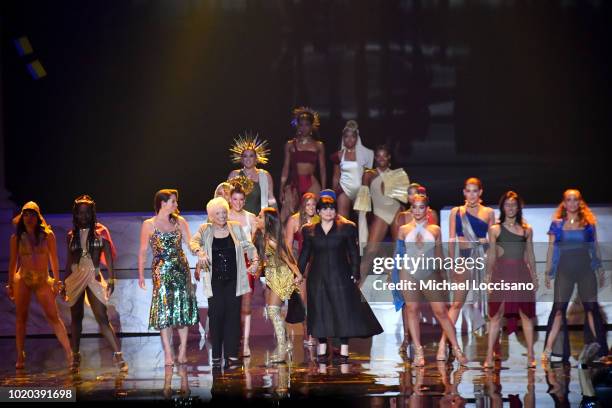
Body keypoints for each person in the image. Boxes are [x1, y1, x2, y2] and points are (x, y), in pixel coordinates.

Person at [298, 194, 383, 364]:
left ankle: (344, 348)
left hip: (341, 276)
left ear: (335, 211)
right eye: (324, 209)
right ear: (318, 211)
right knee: (321, 310)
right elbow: (305, 254)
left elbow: (353, 252)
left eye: (331, 208)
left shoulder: (347, 228)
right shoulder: (309, 230)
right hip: (318, 278)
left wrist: (355, 273)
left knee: (343, 311)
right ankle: (322, 347)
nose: (328, 212)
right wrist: (297, 273)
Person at [394, 194, 469, 366]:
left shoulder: (435, 229)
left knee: (441, 311)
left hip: (428, 272)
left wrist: (444, 275)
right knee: (412, 310)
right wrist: (394, 277)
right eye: (414, 207)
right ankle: (419, 353)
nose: (418, 210)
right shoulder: (403, 229)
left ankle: (457, 349)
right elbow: (398, 255)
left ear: (427, 209)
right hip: (408, 271)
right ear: (411, 209)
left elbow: (439, 256)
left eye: (421, 207)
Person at [190, 197, 259, 368]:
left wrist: (255, 261)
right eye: (217, 213)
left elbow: (248, 246)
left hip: (234, 281)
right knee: (216, 315)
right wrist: (200, 252)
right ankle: (216, 354)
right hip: (214, 281)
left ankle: (232, 355)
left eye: (223, 212)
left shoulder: (235, 227)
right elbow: (193, 242)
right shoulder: (204, 229)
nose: (221, 216)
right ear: (211, 216)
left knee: (233, 317)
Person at [542, 189, 607, 363]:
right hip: (565, 269)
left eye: (575, 200)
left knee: (591, 309)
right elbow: (551, 249)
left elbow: (594, 248)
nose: (572, 203)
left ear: (580, 202)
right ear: (564, 202)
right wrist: (549, 271)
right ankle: (548, 350)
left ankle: (601, 351)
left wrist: (599, 269)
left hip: (585, 268)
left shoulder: (588, 224)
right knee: (558, 309)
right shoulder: (557, 224)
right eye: (569, 200)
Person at [65, 195, 128, 372]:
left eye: (86, 213)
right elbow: (69, 262)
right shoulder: (71, 235)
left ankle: (118, 355)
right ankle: (75, 356)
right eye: (80, 213)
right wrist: (63, 283)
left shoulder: (101, 232)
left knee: (102, 317)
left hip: (93, 276)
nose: (83, 216)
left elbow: (108, 258)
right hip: (76, 278)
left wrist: (112, 279)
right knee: (76, 318)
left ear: (92, 214)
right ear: (76, 215)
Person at [7, 201, 73, 369]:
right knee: (21, 318)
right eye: (26, 215)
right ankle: (20, 355)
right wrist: (10, 284)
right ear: (22, 217)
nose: (29, 218)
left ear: (38, 216)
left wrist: (57, 280)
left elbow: (54, 259)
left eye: (32, 214)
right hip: (23, 278)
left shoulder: (48, 235)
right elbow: (13, 263)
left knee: (53, 317)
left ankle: (69, 353)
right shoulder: (16, 238)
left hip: (42, 279)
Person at [138, 189, 199, 366]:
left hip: (181, 269)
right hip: (161, 270)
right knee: (164, 311)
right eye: (173, 201)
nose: (176, 205)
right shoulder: (148, 224)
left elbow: (190, 243)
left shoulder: (180, 221)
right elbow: (142, 251)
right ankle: (167, 352)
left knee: (182, 308)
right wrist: (141, 274)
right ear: (163, 204)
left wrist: (199, 253)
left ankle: (182, 350)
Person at [436, 177, 495, 361]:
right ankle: (442, 346)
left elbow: (493, 239)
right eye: (468, 191)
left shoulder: (489, 212)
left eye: (475, 191)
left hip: (483, 259)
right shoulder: (457, 212)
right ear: (464, 192)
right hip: (464, 260)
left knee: (491, 305)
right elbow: (452, 239)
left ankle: (492, 351)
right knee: (457, 304)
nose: (471, 194)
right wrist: (453, 264)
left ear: (480, 192)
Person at [483, 191, 537, 369]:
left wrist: (534, 277)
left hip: (521, 273)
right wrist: (488, 277)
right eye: (507, 205)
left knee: (526, 315)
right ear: (502, 207)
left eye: (514, 205)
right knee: (495, 315)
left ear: (518, 207)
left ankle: (530, 354)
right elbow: (491, 255)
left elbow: (530, 255)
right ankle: (489, 356)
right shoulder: (495, 230)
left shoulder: (526, 230)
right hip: (501, 273)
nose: (511, 208)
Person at [256, 207, 303, 363]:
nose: (257, 218)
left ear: (267, 222)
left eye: (260, 217)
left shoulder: (271, 239)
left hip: (280, 275)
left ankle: (282, 349)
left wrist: (298, 273)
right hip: (272, 275)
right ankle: (286, 343)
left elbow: (287, 256)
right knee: (273, 312)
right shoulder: (262, 236)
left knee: (273, 311)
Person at [279, 107, 326, 222]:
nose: (303, 128)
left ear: (311, 126)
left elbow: (323, 169)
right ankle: (285, 239)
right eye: (301, 125)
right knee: (287, 215)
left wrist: (324, 190)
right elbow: (285, 167)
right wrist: (281, 188)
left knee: (308, 215)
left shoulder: (318, 145)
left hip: (311, 183)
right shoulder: (290, 145)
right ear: (297, 126)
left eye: (307, 125)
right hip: (295, 182)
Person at [284, 192, 319, 346]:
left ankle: (318, 333)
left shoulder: (320, 219)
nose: (311, 207)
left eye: (313, 204)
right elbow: (288, 247)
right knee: (304, 301)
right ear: (303, 206)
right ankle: (308, 334)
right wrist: (294, 268)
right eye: (308, 204)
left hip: (318, 264)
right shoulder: (294, 220)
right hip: (301, 266)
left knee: (316, 301)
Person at [227, 185, 257, 358]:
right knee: (231, 305)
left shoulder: (250, 218)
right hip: (229, 263)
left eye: (241, 199)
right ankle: (232, 340)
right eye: (235, 199)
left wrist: (255, 262)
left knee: (246, 305)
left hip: (245, 264)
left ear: (244, 201)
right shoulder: (224, 215)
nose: (238, 202)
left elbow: (253, 245)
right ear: (230, 200)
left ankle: (245, 344)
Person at [331, 120, 373, 218]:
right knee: (342, 221)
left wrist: (369, 194)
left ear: (357, 138)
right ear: (343, 138)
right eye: (346, 136)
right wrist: (333, 195)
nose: (349, 139)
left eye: (352, 136)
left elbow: (369, 176)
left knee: (362, 221)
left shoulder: (366, 155)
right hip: (344, 189)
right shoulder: (339, 155)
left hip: (361, 190)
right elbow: (336, 177)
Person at [228, 132, 277, 215]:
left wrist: (276, 218)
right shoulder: (234, 174)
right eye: (245, 156)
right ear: (241, 159)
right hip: (237, 220)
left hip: (257, 221)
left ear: (256, 159)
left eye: (251, 156)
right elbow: (227, 198)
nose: (248, 159)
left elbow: (271, 199)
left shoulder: (265, 175)